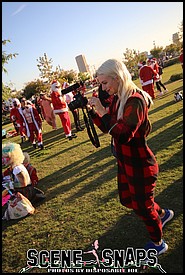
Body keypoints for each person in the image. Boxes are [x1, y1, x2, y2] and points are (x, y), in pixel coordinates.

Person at [88, 58, 174, 256]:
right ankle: (163, 214)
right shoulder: (119, 98)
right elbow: (110, 129)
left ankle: (158, 242)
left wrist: (102, 111)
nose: (103, 88)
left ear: (117, 78)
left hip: (140, 163)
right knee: (129, 200)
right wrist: (94, 112)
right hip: (126, 162)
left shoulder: (135, 100)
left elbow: (124, 134)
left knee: (142, 208)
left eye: (104, 83)